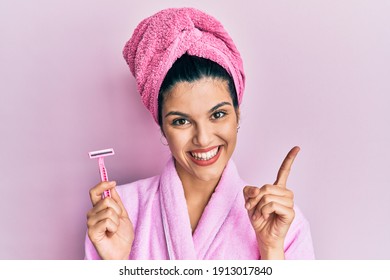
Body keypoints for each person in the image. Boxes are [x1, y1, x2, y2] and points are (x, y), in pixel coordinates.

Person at [85, 7, 315, 260]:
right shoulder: (118, 214)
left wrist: (271, 249)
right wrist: (117, 264)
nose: (203, 139)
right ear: (161, 125)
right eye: (181, 121)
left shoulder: (281, 223)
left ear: (237, 114)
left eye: (218, 115)